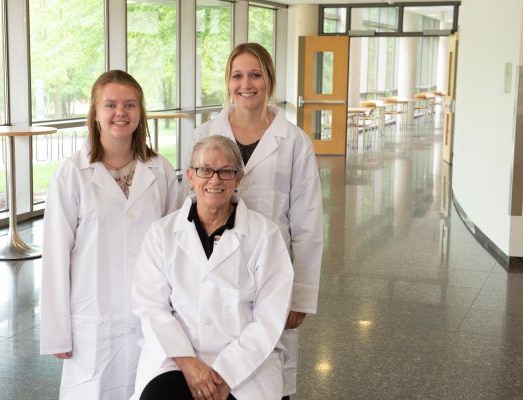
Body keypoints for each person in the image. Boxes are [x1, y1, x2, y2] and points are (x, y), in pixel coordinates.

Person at [184, 43, 324, 399]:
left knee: (266, 371)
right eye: (237, 75)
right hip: (213, 265)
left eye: (255, 74)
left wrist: (301, 296)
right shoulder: (203, 134)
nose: (246, 84)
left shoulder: (294, 141)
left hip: (270, 271)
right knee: (212, 368)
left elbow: (307, 222)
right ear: (228, 82)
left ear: (269, 80)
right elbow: (187, 207)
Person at [40, 70, 179, 400]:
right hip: (93, 317)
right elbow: (56, 254)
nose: (121, 112)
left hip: (150, 313)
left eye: (130, 104)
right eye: (111, 104)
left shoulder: (159, 169)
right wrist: (58, 331)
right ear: (95, 112)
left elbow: (176, 248)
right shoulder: (73, 172)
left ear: (140, 112)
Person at [132, 135, 294, 400]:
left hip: (244, 364)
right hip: (176, 359)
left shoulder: (265, 235)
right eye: (205, 170)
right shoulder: (162, 233)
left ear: (238, 178)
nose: (215, 180)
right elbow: (151, 306)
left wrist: (225, 374)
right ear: (190, 176)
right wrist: (189, 364)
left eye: (226, 171)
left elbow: (269, 318)